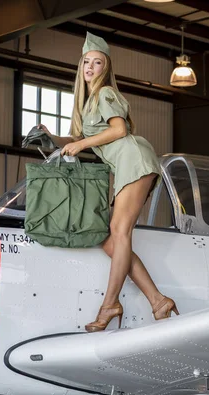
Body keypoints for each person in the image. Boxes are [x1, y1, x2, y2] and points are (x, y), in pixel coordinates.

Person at [38, 32, 178, 332]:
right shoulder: (87, 103)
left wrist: (82, 145)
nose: (90, 67)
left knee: (119, 231)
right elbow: (77, 139)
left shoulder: (105, 94)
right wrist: (52, 136)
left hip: (134, 158)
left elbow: (118, 131)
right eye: (86, 62)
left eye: (97, 62)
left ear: (106, 67)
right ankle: (158, 300)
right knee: (110, 241)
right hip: (125, 164)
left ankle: (110, 304)